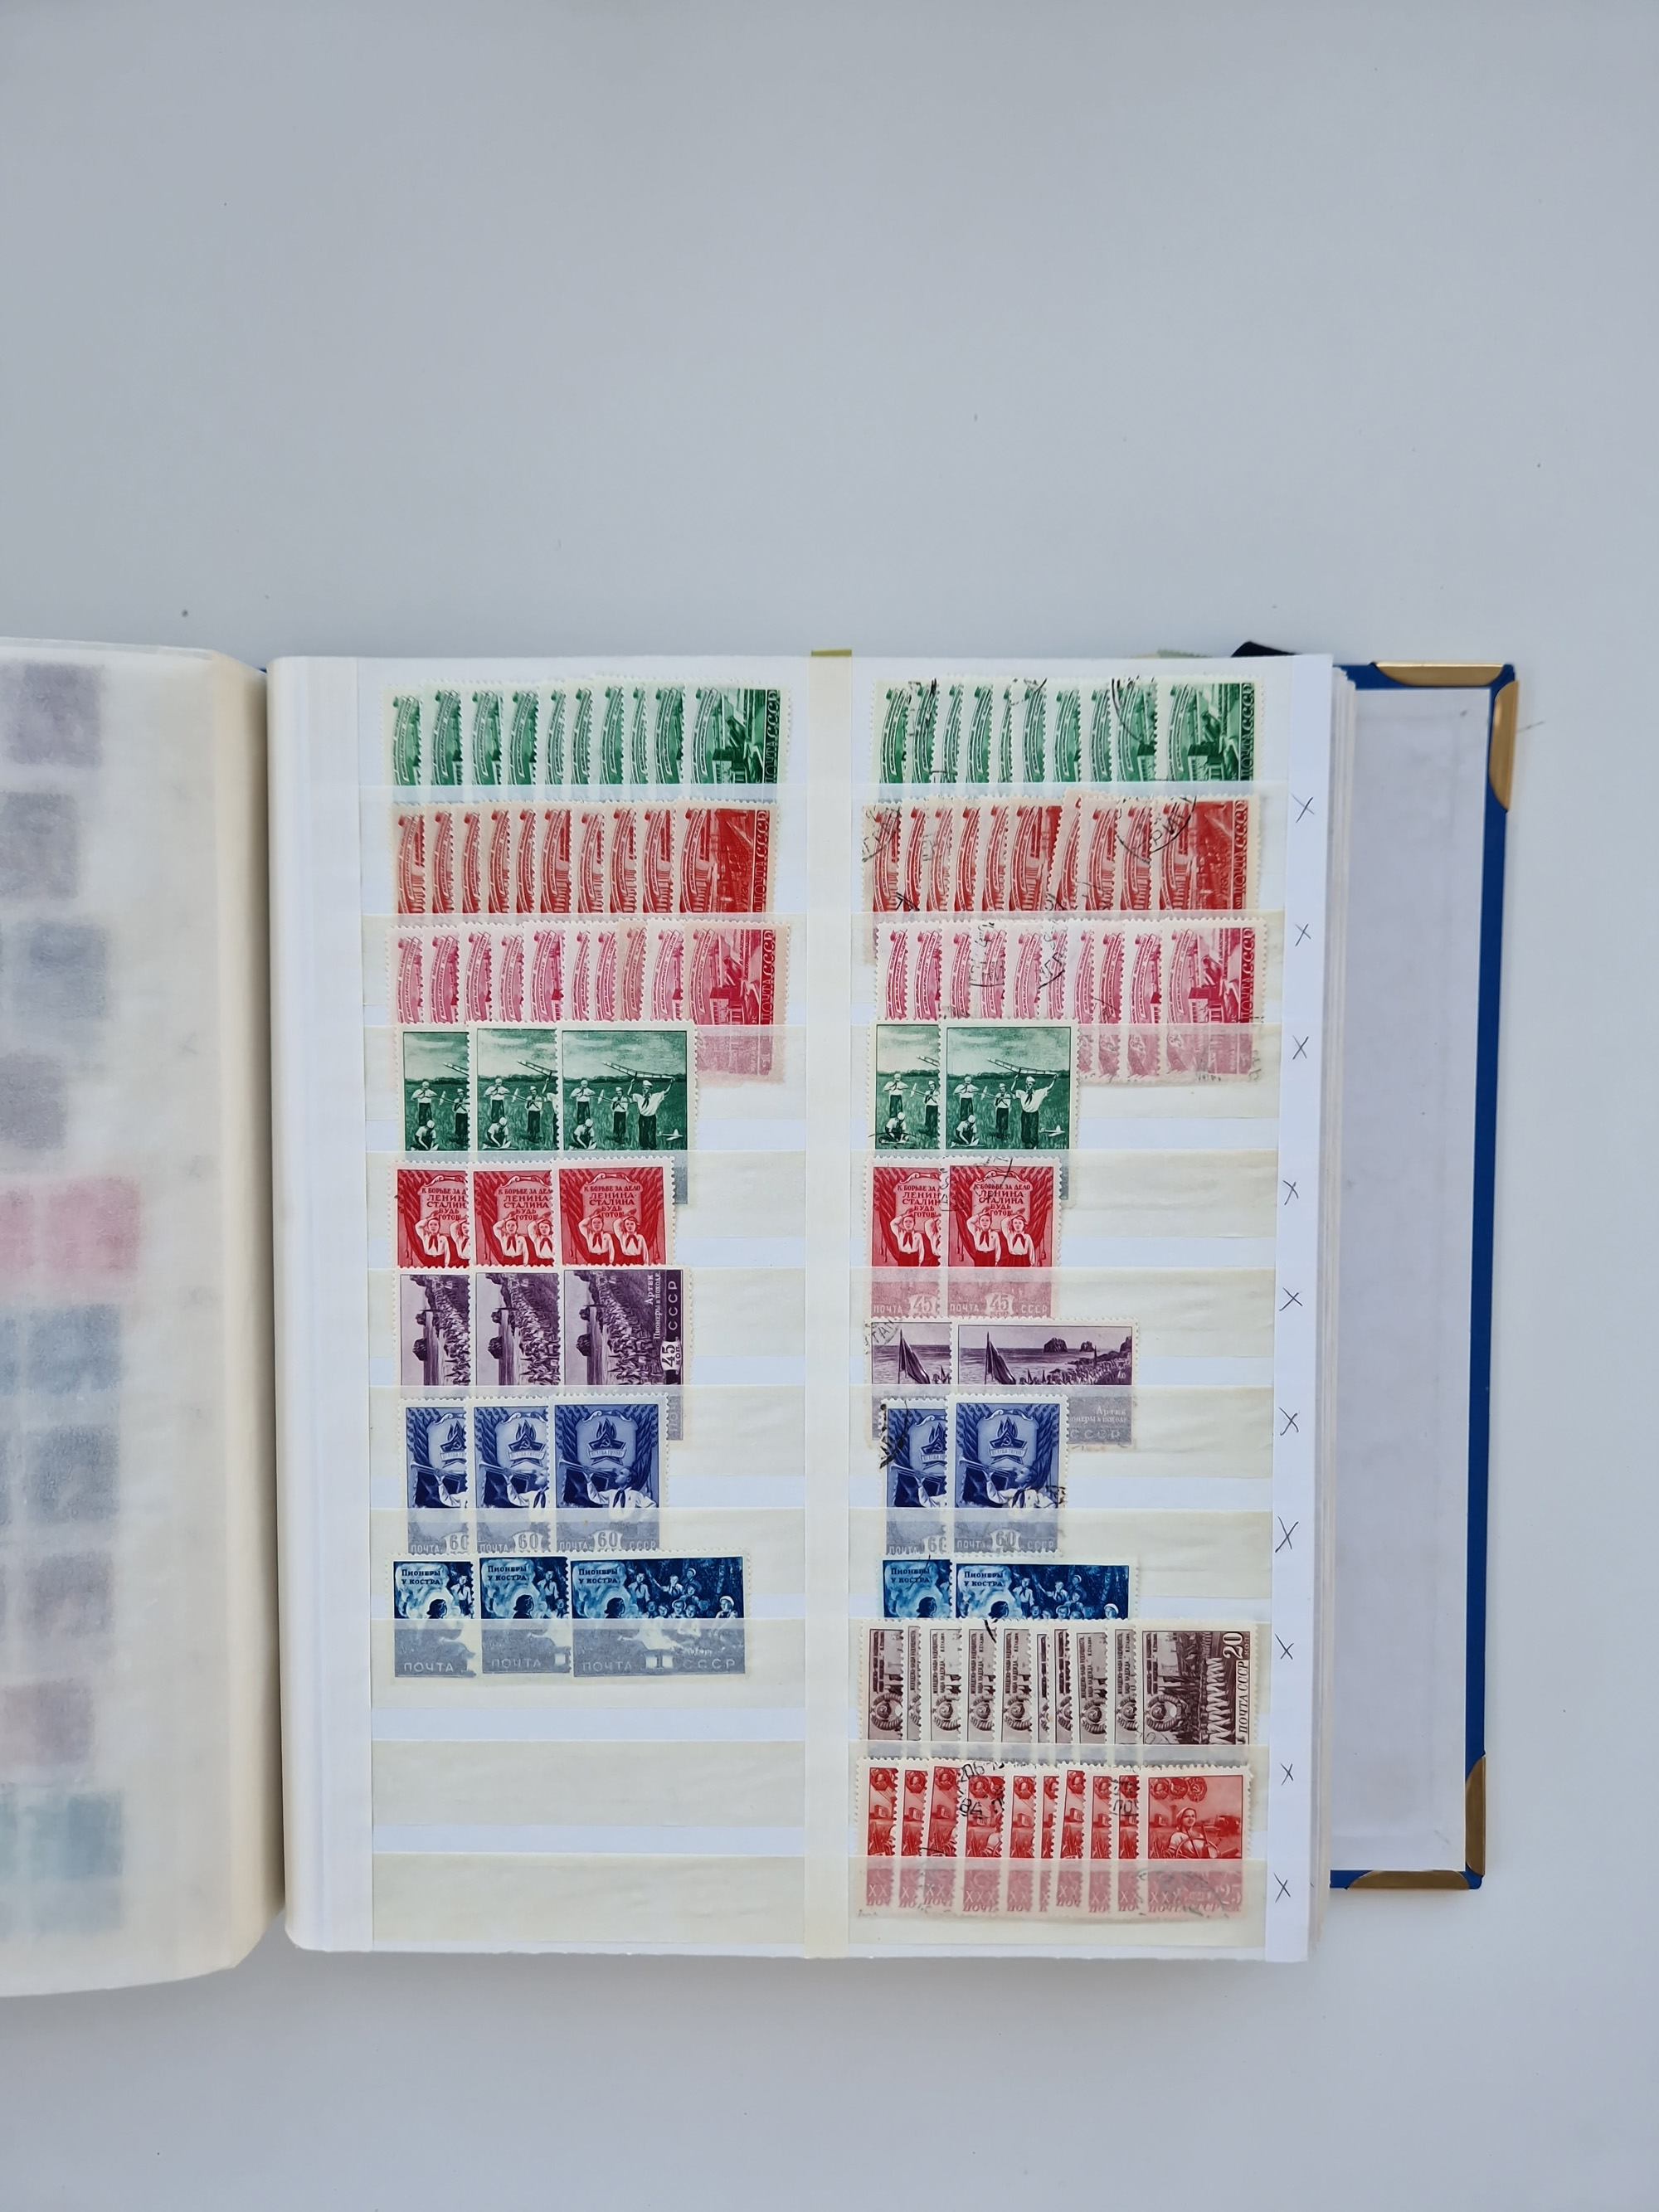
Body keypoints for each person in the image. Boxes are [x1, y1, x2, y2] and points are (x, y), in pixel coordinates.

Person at [1014, 1077, 1053, 1148]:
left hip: (1034, 1115)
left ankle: (1034, 1147)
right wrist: (1015, 1080)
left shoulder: (1038, 1093)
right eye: (1027, 1084)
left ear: (1033, 1086)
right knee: (1025, 1132)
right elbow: (1012, 1090)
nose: (1028, 1086)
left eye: (1030, 1084)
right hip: (1025, 1115)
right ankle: (1027, 1147)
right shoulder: (1023, 1094)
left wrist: (1054, 1080)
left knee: (1033, 1132)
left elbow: (1049, 1088)